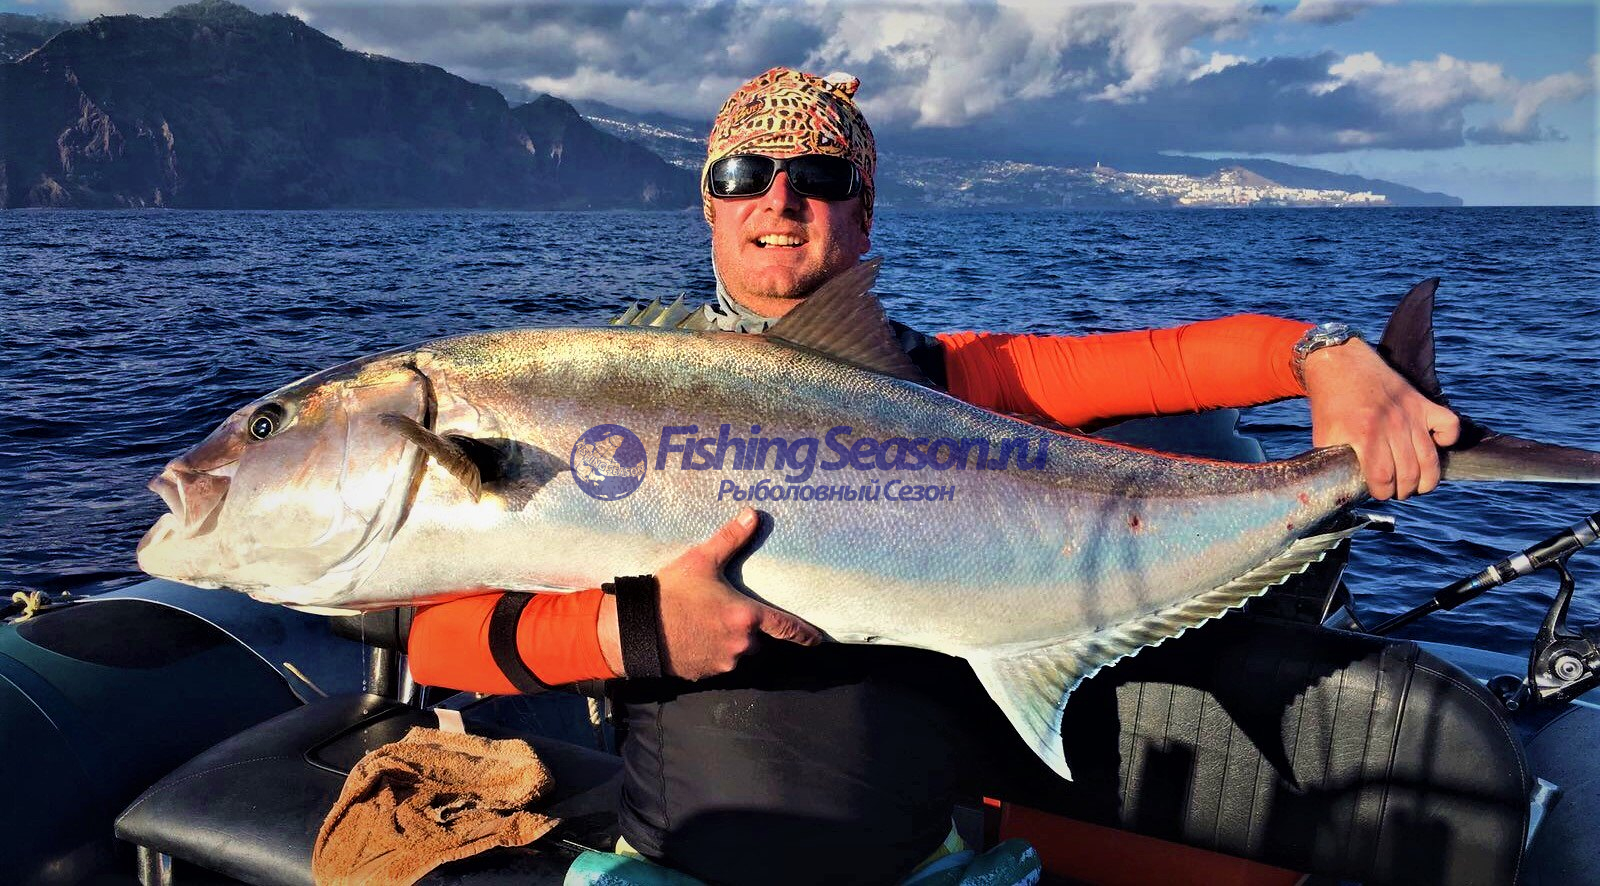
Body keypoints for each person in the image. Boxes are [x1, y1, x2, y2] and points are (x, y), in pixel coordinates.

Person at [407, 67, 1461, 884]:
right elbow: (436, 640)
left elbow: (1177, 359)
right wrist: (633, 632)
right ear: (710, 209)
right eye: (742, 176)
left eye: (821, 178)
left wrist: (1329, 355)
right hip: (672, 868)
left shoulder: (952, 380)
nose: (780, 198)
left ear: (862, 215)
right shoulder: (614, 400)